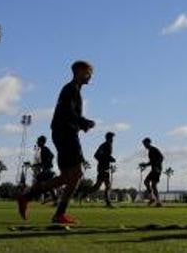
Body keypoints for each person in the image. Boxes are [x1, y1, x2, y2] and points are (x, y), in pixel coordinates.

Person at [17, 61, 96, 226]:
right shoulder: (71, 89)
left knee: (68, 176)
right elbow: (67, 112)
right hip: (66, 135)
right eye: (89, 72)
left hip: (64, 134)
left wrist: (81, 124)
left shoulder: (73, 90)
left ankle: (29, 198)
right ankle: (57, 213)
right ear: (79, 71)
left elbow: (66, 114)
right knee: (76, 174)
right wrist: (83, 122)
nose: (91, 76)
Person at [87, 132, 116, 207]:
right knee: (107, 186)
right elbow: (97, 155)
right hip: (103, 168)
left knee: (97, 187)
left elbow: (103, 156)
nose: (113, 139)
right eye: (112, 138)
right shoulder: (105, 145)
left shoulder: (106, 145)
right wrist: (107, 159)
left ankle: (84, 194)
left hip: (104, 167)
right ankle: (108, 203)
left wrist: (109, 159)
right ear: (108, 138)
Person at [31, 135, 56, 202]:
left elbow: (51, 156)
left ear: (42, 142)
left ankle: (47, 195)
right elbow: (51, 156)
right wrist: (37, 164)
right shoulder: (43, 149)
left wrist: (47, 163)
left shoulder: (45, 149)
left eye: (38, 141)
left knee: (39, 179)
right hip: (47, 169)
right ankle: (54, 199)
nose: (37, 142)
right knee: (49, 186)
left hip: (47, 170)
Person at [140, 137, 164, 207]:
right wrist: (145, 164)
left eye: (145, 144)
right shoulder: (150, 151)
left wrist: (157, 166)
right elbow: (151, 162)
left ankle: (156, 200)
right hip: (154, 169)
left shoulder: (154, 149)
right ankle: (154, 199)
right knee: (149, 184)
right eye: (144, 144)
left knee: (151, 184)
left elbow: (161, 158)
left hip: (157, 169)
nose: (144, 146)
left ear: (148, 143)